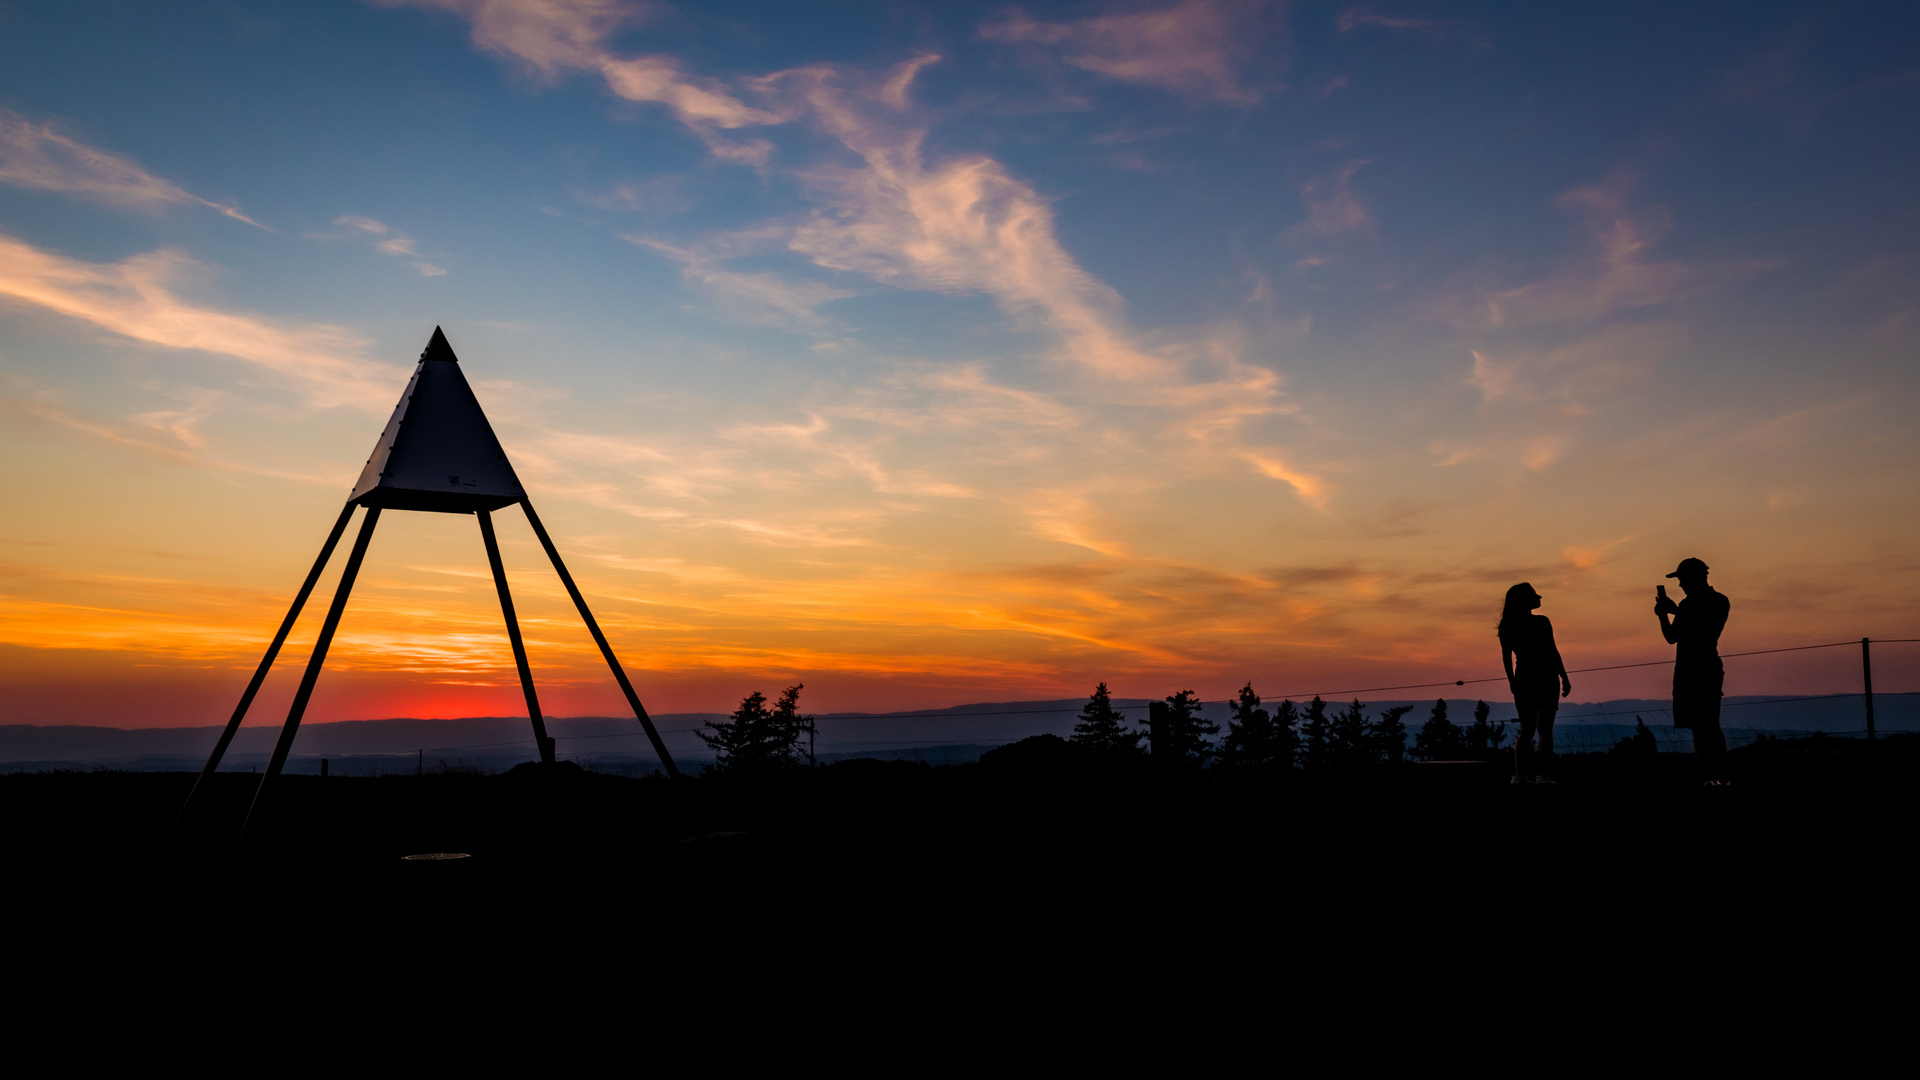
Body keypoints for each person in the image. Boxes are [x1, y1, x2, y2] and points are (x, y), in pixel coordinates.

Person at [1654, 557, 1731, 784]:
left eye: (1682, 579)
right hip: (1703, 668)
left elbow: (1679, 634)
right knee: (1704, 725)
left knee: (1705, 726)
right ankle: (1715, 776)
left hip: (1695, 670)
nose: (1680, 585)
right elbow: (1677, 635)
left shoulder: (1693, 605)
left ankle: (1713, 776)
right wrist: (1667, 613)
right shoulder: (1717, 601)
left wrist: (1668, 613)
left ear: (1693, 578)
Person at [1499, 582, 1571, 785]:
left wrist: (1512, 681)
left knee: (1527, 729)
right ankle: (1542, 775)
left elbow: (1506, 657)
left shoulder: (1507, 626)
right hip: (1546, 677)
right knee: (1544, 730)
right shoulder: (1542, 622)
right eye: (1534, 596)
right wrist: (1563, 676)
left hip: (1523, 678)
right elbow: (1552, 652)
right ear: (1524, 600)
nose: (1539, 598)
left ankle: (1519, 776)